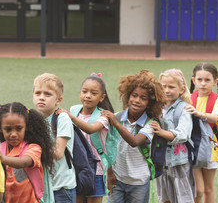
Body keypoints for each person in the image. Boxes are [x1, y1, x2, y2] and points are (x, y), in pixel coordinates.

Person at [101, 69, 166, 203]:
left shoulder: (151, 123)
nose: (137, 100)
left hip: (139, 182)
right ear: (128, 96)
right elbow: (110, 147)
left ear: (150, 103)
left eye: (143, 98)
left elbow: (135, 141)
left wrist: (115, 123)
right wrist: (110, 172)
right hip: (118, 179)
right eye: (134, 95)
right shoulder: (119, 117)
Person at [57, 73, 114, 203]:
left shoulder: (103, 116)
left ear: (102, 97)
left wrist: (70, 117)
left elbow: (91, 129)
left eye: (93, 93)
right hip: (78, 166)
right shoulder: (75, 109)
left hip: (96, 168)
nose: (88, 95)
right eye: (84, 91)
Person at [0, 102, 55, 203]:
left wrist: (3, 158)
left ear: (26, 127)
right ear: (0, 129)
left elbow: (24, 162)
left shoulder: (33, 148)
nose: (14, 134)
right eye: (8, 129)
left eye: (19, 128)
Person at [150, 69, 195, 203]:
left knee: (182, 197)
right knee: (164, 197)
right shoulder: (158, 107)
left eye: (171, 87)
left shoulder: (184, 108)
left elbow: (183, 134)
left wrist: (161, 132)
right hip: (161, 161)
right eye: (163, 86)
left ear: (181, 90)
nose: (167, 90)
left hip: (178, 162)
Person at [32, 73, 77, 203]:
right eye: (38, 93)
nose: (41, 97)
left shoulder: (62, 118)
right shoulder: (33, 119)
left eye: (47, 94)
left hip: (62, 188)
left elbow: (58, 153)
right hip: (42, 186)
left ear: (58, 100)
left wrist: (32, 151)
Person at [185, 62, 218, 203]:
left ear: (215, 82)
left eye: (207, 80)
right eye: (199, 79)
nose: (203, 83)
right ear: (193, 80)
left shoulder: (217, 100)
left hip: (210, 148)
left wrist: (200, 114)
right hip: (193, 147)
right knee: (198, 189)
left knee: (208, 188)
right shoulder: (189, 98)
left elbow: (216, 117)